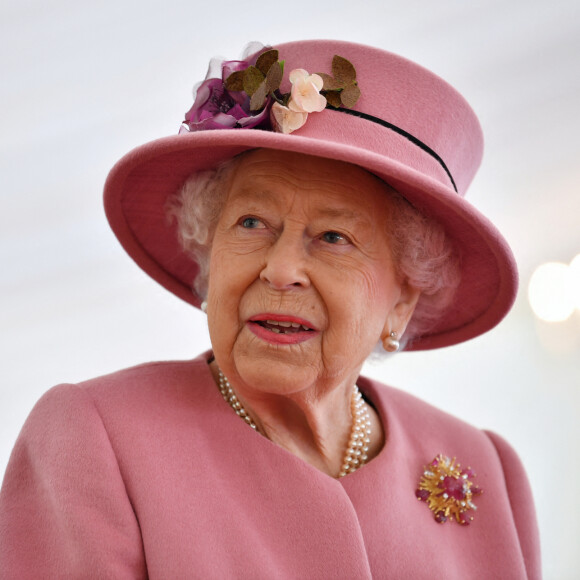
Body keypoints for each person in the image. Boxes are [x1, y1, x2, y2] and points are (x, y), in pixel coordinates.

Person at [0, 40, 540, 578]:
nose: (280, 270)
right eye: (252, 223)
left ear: (402, 298)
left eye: (333, 236)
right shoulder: (98, 438)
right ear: (210, 254)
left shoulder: (487, 470)